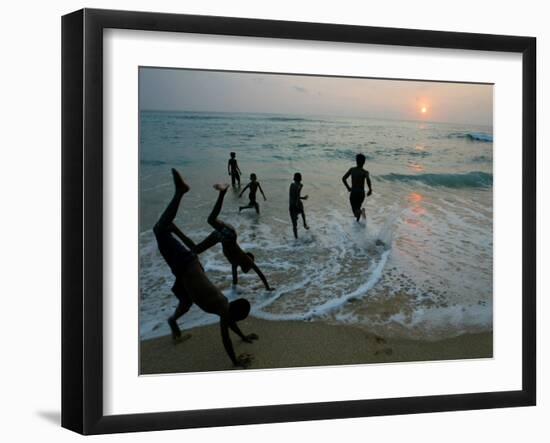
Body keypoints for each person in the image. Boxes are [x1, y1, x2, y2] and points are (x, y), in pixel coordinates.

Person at [153, 168, 258, 367]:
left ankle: (174, 325)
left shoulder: (225, 307)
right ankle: (180, 192)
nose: (232, 321)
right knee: (159, 229)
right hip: (186, 266)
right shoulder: (223, 308)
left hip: (187, 274)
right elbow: (226, 337)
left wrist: (243, 337)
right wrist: (235, 361)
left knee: (185, 301)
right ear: (232, 313)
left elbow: (230, 324)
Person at [173, 183, 274, 291]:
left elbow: (235, 280)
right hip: (229, 235)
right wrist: (267, 288)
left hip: (221, 238)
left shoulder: (235, 264)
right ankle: (223, 192)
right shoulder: (246, 260)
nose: (248, 270)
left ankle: (174, 229)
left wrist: (234, 289)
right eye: (249, 268)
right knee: (211, 220)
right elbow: (260, 273)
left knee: (196, 250)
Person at [342, 153, 373, 222]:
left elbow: (343, 178)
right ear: (364, 162)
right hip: (361, 193)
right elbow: (368, 179)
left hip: (354, 192)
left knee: (355, 212)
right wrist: (370, 189)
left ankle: (361, 212)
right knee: (358, 208)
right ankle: (358, 222)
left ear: (356, 161)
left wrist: (348, 188)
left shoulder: (352, 170)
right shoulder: (365, 172)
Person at [289, 172, 309, 239]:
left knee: (294, 225)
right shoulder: (300, 185)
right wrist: (303, 198)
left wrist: (301, 198)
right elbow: (297, 196)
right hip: (295, 204)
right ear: (300, 179)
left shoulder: (292, 185)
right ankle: (304, 224)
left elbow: (294, 196)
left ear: (294, 178)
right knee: (302, 212)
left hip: (292, 205)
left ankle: (296, 238)